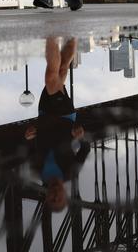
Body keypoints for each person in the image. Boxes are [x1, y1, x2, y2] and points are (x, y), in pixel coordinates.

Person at [24, 37, 90, 212]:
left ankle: (72, 35)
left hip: (44, 114)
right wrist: (81, 137)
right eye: (58, 199)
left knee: (61, 71)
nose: (54, 195)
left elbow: (31, 149)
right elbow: (85, 149)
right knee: (51, 78)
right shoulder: (70, 172)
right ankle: (50, 33)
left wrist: (29, 137)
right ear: (65, 195)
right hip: (64, 117)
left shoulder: (37, 171)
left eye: (51, 200)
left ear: (46, 198)